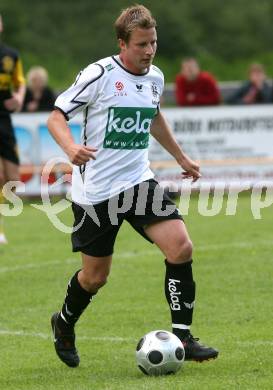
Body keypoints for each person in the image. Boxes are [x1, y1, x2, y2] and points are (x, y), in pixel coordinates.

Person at [47, 5, 218, 368]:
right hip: (96, 193)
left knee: (181, 247)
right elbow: (56, 116)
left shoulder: (155, 76)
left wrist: (181, 158)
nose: (149, 51)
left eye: (153, 42)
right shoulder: (100, 74)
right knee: (95, 278)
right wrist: (70, 148)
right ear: (122, 44)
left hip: (138, 181)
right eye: (141, 44)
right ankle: (64, 323)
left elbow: (155, 116)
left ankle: (183, 336)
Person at [0, 14, 26, 244]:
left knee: (13, 180)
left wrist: (18, 97)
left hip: (5, 120)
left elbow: (20, 82)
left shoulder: (11, 55)